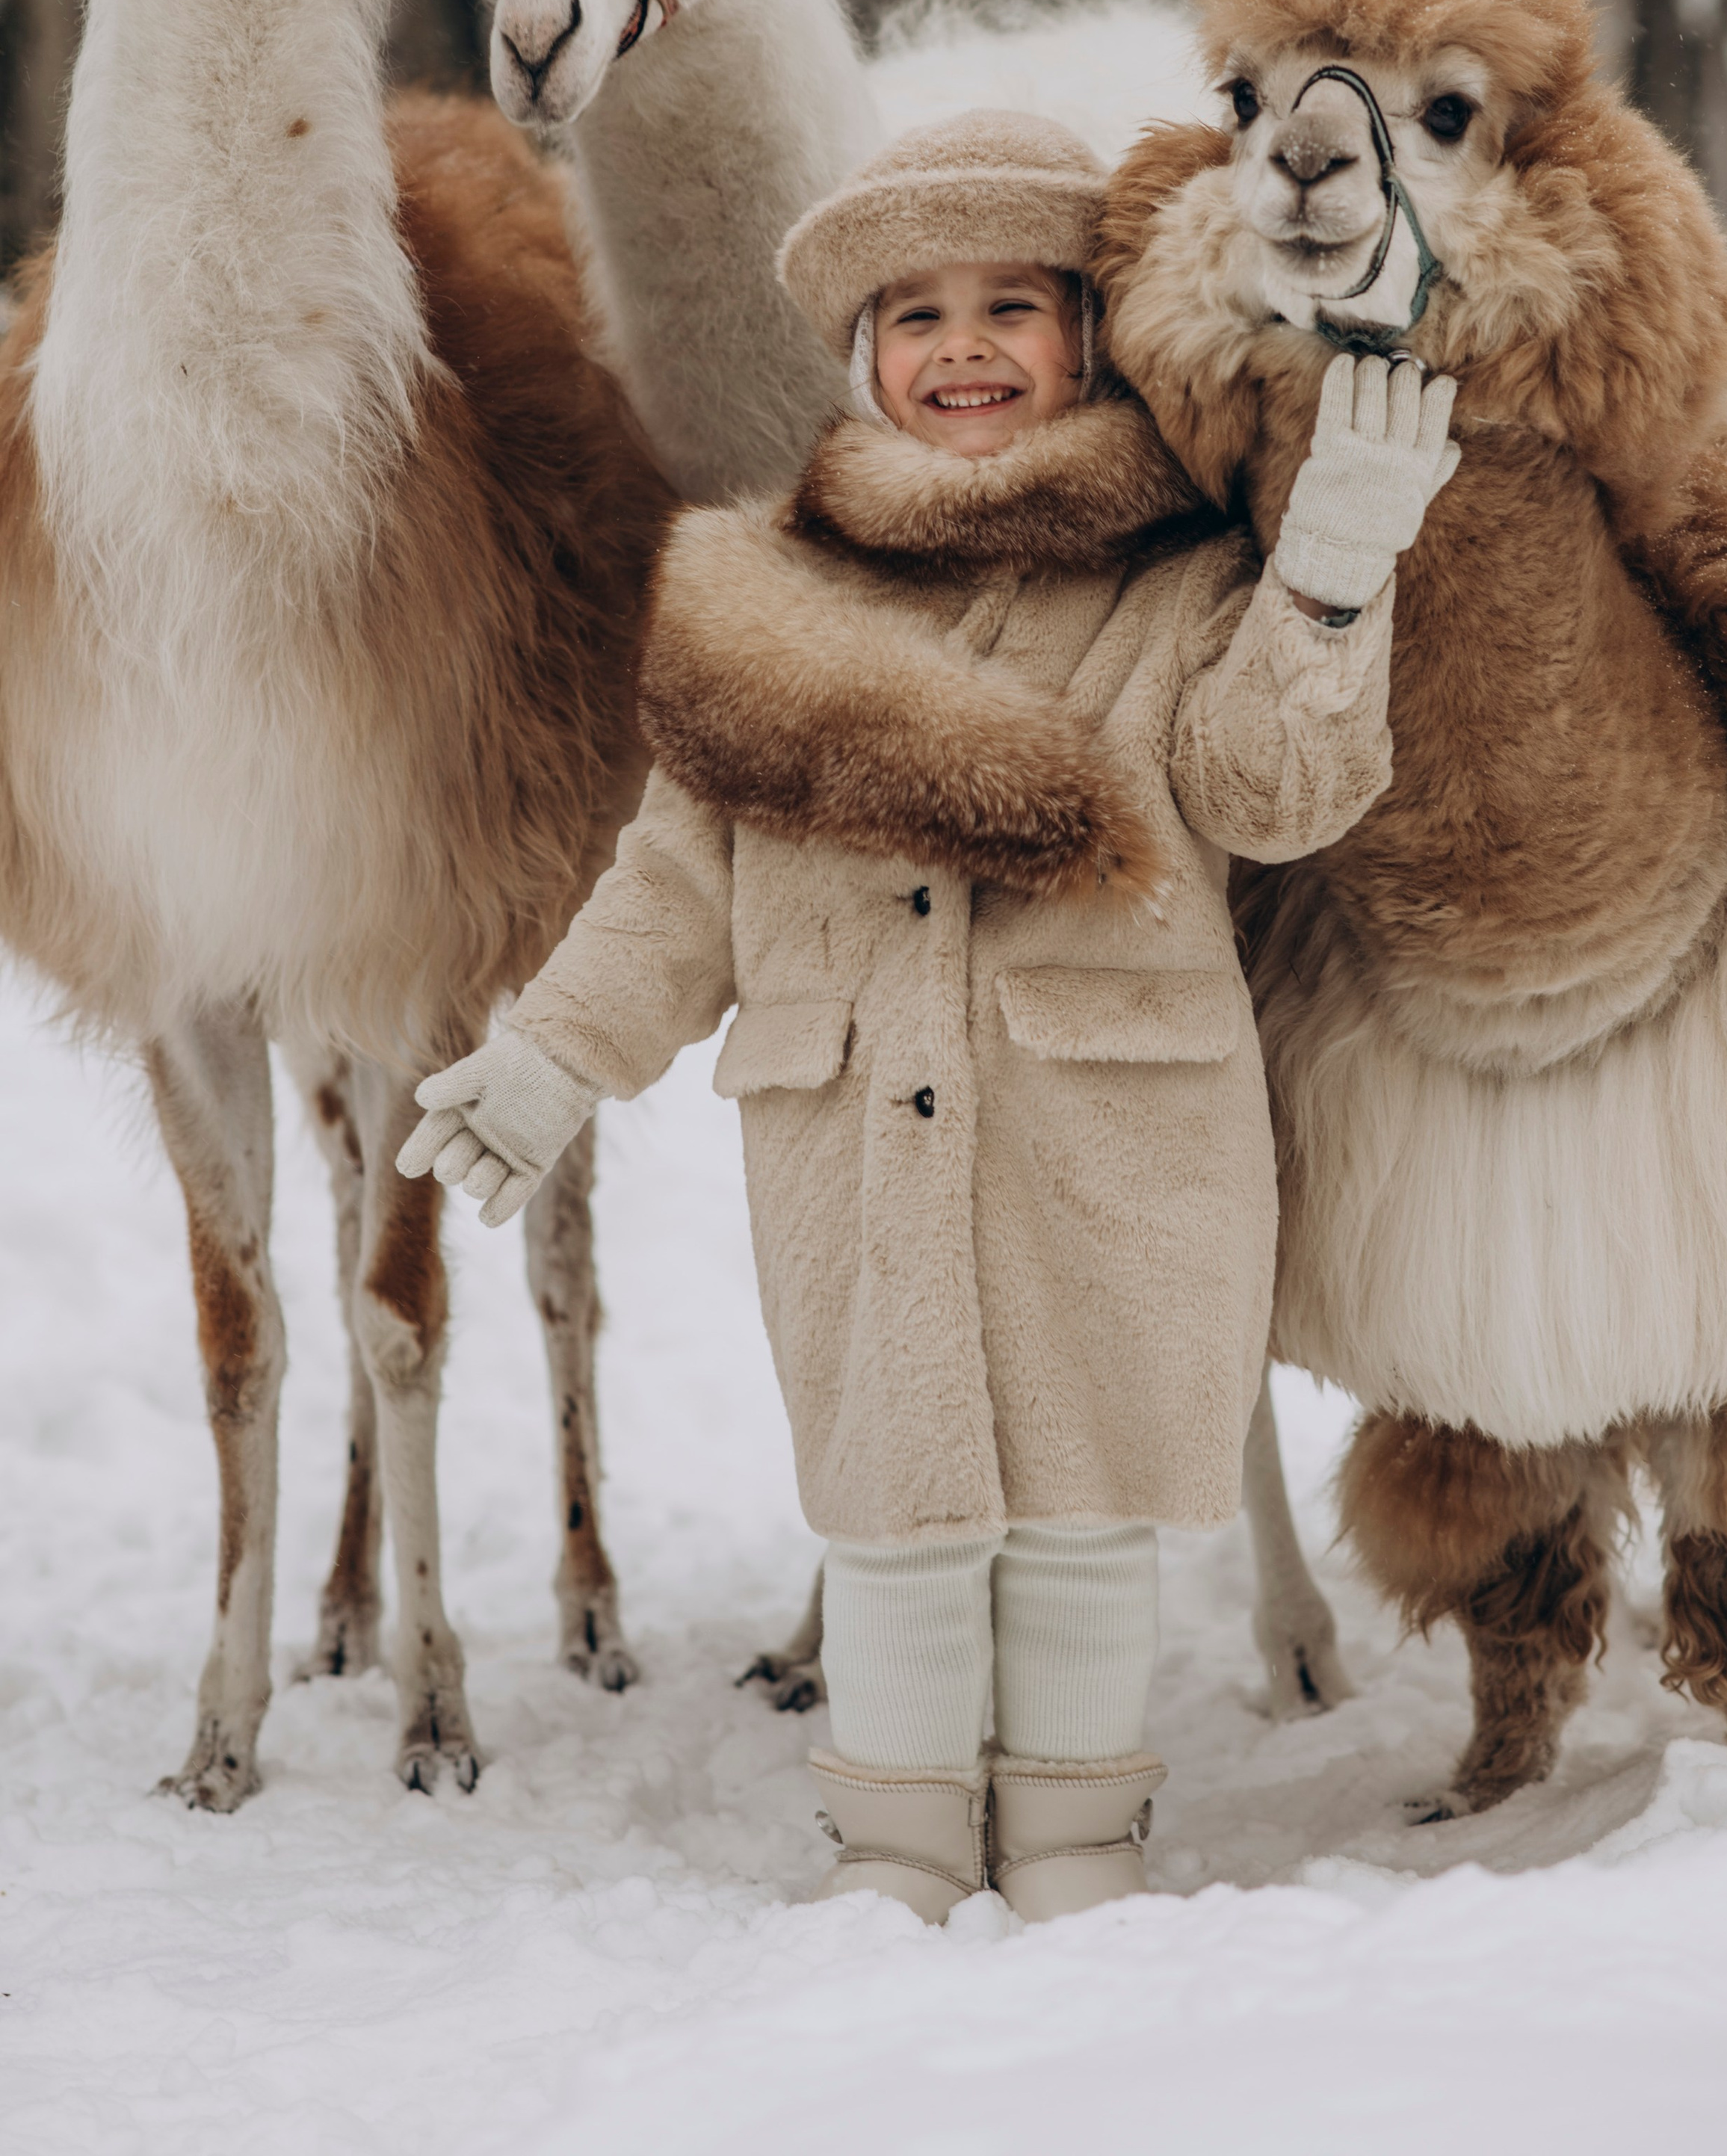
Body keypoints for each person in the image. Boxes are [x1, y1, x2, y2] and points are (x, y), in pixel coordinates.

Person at [399, 110, 1457, 1923]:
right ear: (859, 352)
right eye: (915, 315)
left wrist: (1333, 575)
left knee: (1072, 1518)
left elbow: (1273, 792)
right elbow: (674, 886)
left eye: (1009, 305)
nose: (962, 349)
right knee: (891, 1515)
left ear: (1087, 335)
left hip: (1102, 1135)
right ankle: (888, 1853)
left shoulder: (1183, 582)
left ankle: (1075, 1850)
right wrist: (549, 1057)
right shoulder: (753, 593)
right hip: (853, 1134)